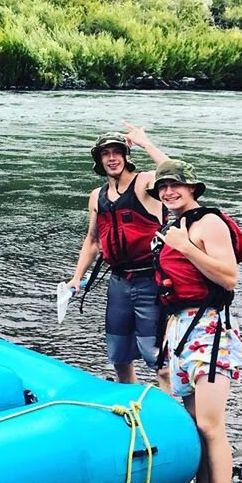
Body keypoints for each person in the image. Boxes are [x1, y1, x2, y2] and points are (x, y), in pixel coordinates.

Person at [151, 159, 242, 483]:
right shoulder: (174, 224)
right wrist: (163, 353)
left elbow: (230, 277)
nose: (169, 193)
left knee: (210, 426)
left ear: (192, 189)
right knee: (195, 422)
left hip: (211, 329)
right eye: (163, 188)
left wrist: (186, 247)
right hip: (180, 329)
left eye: (175, 186)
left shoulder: (208, 223)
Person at [65, 124, 169, 384]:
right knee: (119, 355)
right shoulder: (96, 196)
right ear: (99, 160)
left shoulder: (145, 183)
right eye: (105, 154)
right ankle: (131, 407)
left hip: (151, 280)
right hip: (119, 283)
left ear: (125, 156)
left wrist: (146, 143)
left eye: (117, 152)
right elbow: (92, 241)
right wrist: (77, 277)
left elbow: (173, 172)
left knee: (158, 357)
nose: (112, 158)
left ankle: (170, 414)